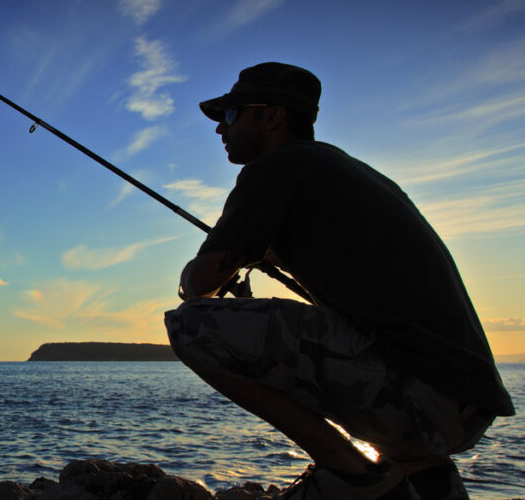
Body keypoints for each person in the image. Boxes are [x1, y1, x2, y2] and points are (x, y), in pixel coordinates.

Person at [164, 62, 514, 500]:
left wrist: (192, 276)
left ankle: (351, 474)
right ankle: (428, 483)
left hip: (422, 396)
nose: (221, 129)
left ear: (272, 116)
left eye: (231, 115)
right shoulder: (346, 172)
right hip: (462, 404)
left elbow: (203, 283)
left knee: (192, 324)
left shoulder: (277, 167)